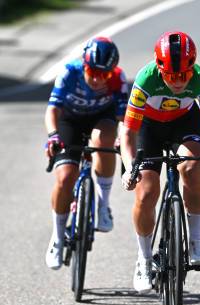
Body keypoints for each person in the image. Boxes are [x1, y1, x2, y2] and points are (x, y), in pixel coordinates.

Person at [120, 31, 200, 293]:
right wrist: (128, 168)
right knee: (147, 191)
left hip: (184, 123)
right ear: (160, 69)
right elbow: (128, 132)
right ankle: (144, 259)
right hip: (148, 128)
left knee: (192, 166)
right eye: (172, 75)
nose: (179, 82)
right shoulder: (146, 80)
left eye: (184, 75)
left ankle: (195, 240)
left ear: (192, 68)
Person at [45, 36, 127, 270]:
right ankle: (58, 237)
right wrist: (53, 135)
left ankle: (102, 206)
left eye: (105, 74)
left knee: (104, 139)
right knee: (65, 178)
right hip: (70, 121)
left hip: (101, 119)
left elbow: (123, 118)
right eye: (93, 71)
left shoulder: (118, 78)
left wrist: (123, 136)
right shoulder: (70, 72)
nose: (98, 78)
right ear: (85, 64)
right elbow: (53, 109)